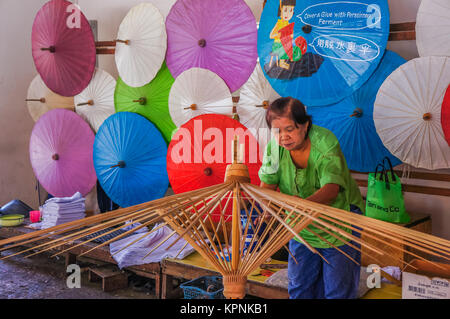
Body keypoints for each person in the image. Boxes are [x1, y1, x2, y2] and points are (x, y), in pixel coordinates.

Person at [258, 97, 365, 299]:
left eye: (289, 129)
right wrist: (267, 207)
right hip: (300, 223)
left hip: (339, 220)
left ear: (305, 125)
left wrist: (300, 205)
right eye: (277, 131)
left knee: (336, 291)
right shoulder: (274, 148)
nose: (283, 137)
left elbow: (331, 189)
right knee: (300, 286)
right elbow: (268, 185)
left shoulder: (325, 143)